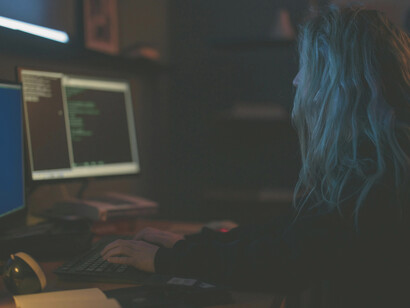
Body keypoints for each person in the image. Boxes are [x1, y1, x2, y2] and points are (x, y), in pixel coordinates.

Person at [101, 6, 410, 307]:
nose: (297, 80)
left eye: (309, 68)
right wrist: (185, 245)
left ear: (342, 79)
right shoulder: (378, 154)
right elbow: (291, 234)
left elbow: (283, 263)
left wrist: (165, 259)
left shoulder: (376, 174)